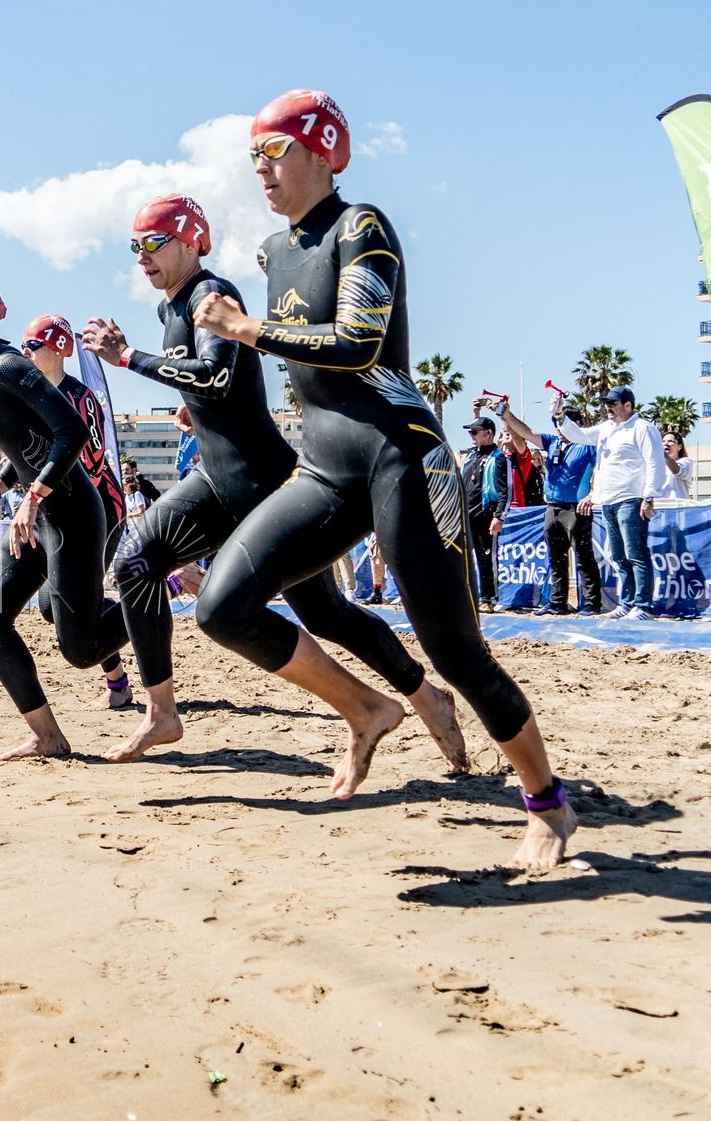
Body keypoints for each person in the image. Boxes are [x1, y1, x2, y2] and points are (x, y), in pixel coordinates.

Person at [189, 88, 573, 870]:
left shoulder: (362, 227)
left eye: (273, 151)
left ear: (322, 151)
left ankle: (547, 802)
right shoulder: (273, 253)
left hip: (402, 455)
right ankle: (365, 707)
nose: (259, 168)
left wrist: (245, 329)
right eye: (251, 155)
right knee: (221, 606)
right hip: (325, 467)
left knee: (456, 651)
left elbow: (359, 342)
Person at [82, 191, 460, 764]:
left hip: (265, 483)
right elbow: (216, 388)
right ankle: (162, 714)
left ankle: (423, 694)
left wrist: (130, 358)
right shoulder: (171, 309)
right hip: (217, 478)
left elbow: (213, 373)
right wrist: (194, 408)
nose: (142, 256)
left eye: (154, 242)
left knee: (327, 614)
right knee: (135, 559)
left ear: (191, 240)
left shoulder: (213, 294)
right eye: (135, 246)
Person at [0, 273, 130, 762]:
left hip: (71, 514)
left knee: (82, 650)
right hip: (39, 513)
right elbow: (27, 443)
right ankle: (47, 736)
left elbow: (72, 432)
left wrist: (33, 496)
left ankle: (161, 591)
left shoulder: (6, 367)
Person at [22, 311, 133, 706]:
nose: (25, 352)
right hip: (63, 516)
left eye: (33, 345)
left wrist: (37, 491)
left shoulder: (79, 398)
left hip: (100, 513)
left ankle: (161, 588)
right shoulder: (32, 397)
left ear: (58, 349)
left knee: (72, 609)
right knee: (52, 608)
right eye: (23, 345)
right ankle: (118, 679)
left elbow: (88, 464)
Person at [557, 386, 667, 620]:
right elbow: (580, 436)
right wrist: (560, 416)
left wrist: (649, 497)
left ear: (628, 406)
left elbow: (655, 463)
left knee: (636, 553)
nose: (608, 407)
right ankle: (627, 603)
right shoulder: (607, 428)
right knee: (619, 555)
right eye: (606, 403)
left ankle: (643, 606)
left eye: (613, 403)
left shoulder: (643, 428)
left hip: (631, 499)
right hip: (608, 500)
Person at [498, 396, 600, 615]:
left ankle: (591, 603)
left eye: (563, 424)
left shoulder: (587, 446)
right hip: (552, 508)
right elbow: (526, 432)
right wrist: (506, 414)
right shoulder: (552, 442)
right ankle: (558, 602)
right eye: (556, 424)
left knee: (583, 557)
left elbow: (603, 472)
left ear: (576, 425)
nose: (558, 428)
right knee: (556, 557)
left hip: (576, 508)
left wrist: (592, 494)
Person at [460, 415, 510, 611]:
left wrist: (499, 516)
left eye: (475, 432)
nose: (471, 435)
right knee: (463, 558)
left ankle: (489, 598)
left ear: (488, 433)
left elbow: (506, 490)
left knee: (486, 558)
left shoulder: (499, 458)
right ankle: (467, 596)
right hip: (465, 514)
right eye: (470, 432)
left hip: (486, 514)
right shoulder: (470, 456)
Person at [657, 432, 695, 501]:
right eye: (663, 441)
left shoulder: (686, 462)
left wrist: (664, 454)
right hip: (659, 506)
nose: (666, 444)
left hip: (677, 507)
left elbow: (677, 471)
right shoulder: (656, 465)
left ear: (679, 446)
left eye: (670, 441)